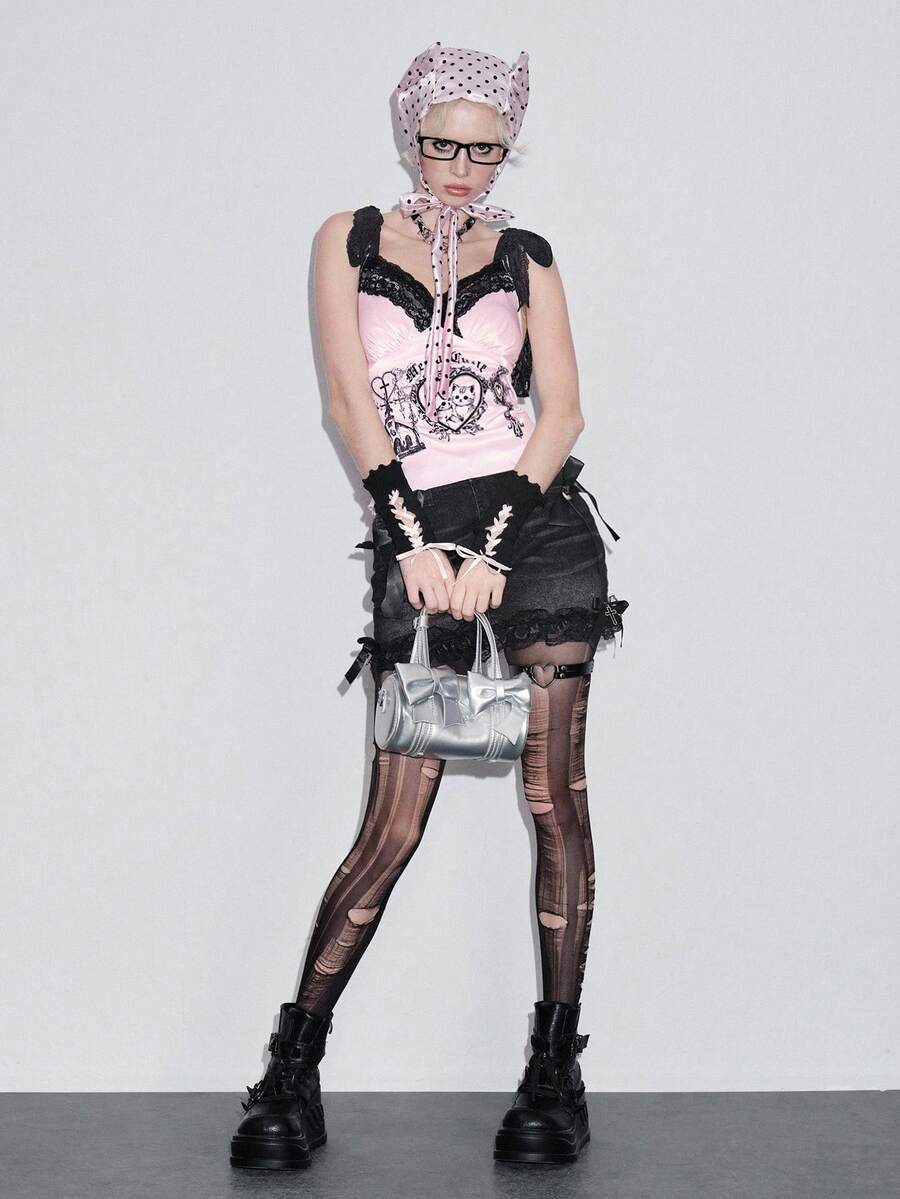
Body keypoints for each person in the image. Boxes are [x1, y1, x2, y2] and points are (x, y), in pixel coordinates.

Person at [230, 41, 628, 1171]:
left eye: (487, 150)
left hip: (534, 529)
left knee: (554, 800)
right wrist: (413, 542)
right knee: (393, 821)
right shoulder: (349, 240)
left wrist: (492, 544)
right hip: (415, 529)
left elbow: (562, 412)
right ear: (411, 134)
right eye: (444, 143)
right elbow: (347, 400)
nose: (462, 166)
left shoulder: (529, 255)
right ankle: (292, 1070)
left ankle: (554, 1069)